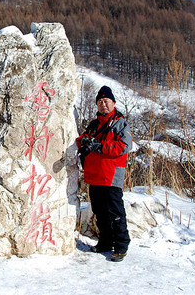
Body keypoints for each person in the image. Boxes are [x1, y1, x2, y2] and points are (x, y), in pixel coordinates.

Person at [76, 85, 132, 262]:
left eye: (106, 101)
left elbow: (124, 146)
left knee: (115, 211)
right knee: (100, 211)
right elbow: (80, 141)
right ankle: (106, 242)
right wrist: (84, 142)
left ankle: (121, 245)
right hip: (95, 174)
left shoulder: (119, 123)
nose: (103, 105)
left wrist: (100, 146)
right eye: (100, 102)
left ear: (113, 103)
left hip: (111, 174)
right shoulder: (94, 125)